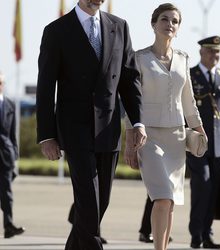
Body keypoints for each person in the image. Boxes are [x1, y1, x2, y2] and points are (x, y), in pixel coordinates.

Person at [36, 0, 147, 249]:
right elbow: (45, 87)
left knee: (99, 202)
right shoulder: (56, 30)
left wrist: (138, 121)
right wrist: (46, 135)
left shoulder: (120, 27)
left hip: (108, 128)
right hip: (74, 129)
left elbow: (130, 80)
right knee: (88, 202)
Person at [124, 3, 206, 250]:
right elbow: (131, 102)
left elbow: (188, 101)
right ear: (153, 24)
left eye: (174, 21)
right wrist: (130, 141)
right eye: (164, 19)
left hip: (176, 138)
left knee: (170, 202)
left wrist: (199, 129)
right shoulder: (139, 58)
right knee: (162, 197)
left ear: (178, 28)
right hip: (147, 137)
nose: (169, 24)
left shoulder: (183, 59)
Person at [187, 36, 220, 249]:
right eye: (210, 51)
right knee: (203, 186)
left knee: (215, 189)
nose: (214, 55)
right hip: (198, 143)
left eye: (217, 52)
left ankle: (207, 234)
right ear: (201, 52)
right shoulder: (190, 75)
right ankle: (196, 234)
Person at [0, 72, 25, 238]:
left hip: (5, 156)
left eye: (0, 82)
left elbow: (12, 134)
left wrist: (14, 157)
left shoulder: (10, 104)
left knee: (7, 193)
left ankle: (8, 226)